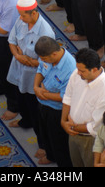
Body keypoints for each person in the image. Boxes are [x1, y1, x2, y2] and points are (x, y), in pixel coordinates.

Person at [7, 0, 55, 158]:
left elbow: (47, 62)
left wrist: (27, 60)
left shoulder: (45, 32)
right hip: (19, 70)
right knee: (22, 102)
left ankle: (43, 144)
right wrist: (18, 56)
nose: (20, 18)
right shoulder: (21, 21)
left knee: (37, 113)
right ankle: (24, 121)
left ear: (34, 13)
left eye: (23, 15)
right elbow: (12, 40)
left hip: (35, 78)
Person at [61, 48, 105, 167]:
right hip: (72, 131)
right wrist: (63, 121)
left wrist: (71, 126)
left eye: (81, 71)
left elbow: (96, 127)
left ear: (94, 70)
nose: (78, 73)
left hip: (90, 140)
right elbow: (68, 96)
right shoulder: (78, 74)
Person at [34, 36, 76, 166]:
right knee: (45, 133)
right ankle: (50, 155)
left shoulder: (70, 69)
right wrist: (36, 87)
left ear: (54, 53)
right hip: (42, 102)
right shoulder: (46, 56)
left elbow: (65, 97)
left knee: (59, 143)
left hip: (57, 110)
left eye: (45, 59)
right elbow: (40, 69)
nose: (42, 61)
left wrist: (44, 94)